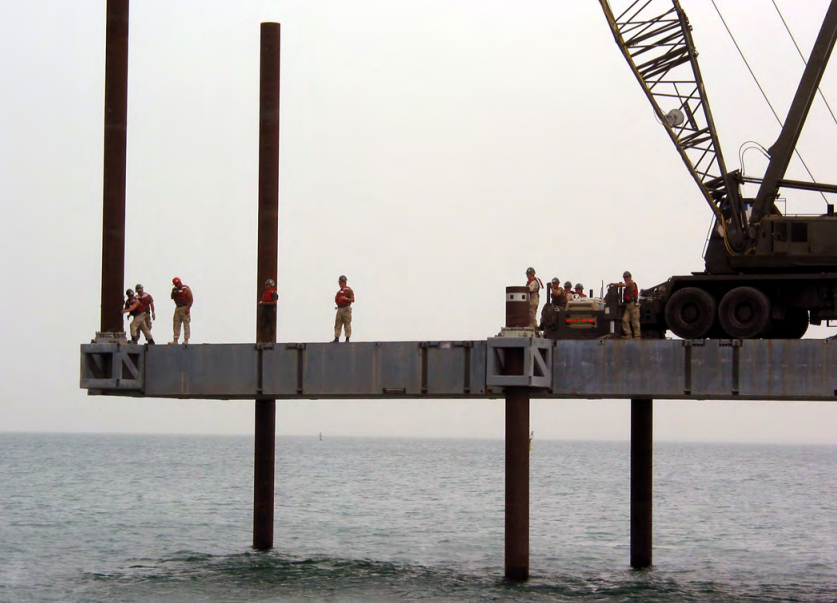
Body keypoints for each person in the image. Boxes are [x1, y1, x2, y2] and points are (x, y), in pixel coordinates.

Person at [609, 270, 641, 339]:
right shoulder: (628, 284)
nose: (625, 279)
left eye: (626, 277)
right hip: (628, 305)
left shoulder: (631, 283)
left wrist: (613, 284)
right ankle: (629, 334)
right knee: (624, 320)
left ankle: (637, 336)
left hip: (633, 305)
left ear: (629, 277)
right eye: (625, 277)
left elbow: (623, 285)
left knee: (635, 322)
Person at [169, 277, 193, 345]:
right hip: (178, 308)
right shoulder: (175, 290)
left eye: (176, 284)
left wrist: (188, 308)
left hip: (184, 307)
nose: (176, 286)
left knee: (186, 324)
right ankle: (175, 339)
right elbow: (172, 297)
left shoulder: (186, 289)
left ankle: (186, 339)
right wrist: (173, 291)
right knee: (176, 323)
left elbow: (191, 299)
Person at [332, 275, 354, 342]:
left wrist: (345, 298)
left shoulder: (349, 290)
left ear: (344, 282)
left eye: (340, 282)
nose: (339, 284)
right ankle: (337, 337)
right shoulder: (339, 292)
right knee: (338, 324)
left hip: (346, 308)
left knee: (347, 323)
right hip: (340, 309)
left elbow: (352, 299)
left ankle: (347, 338)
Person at [258, 278, 278, 342]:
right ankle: (261, 340)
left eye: (267, 285)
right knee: (262, 326)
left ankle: (271, 341)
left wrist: (264, 303)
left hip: (271, 311)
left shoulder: (273, 293)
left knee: (271, 326)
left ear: (271, 285)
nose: (266, 286)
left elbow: (274, 302)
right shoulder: (265, 293)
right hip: (265, 310)